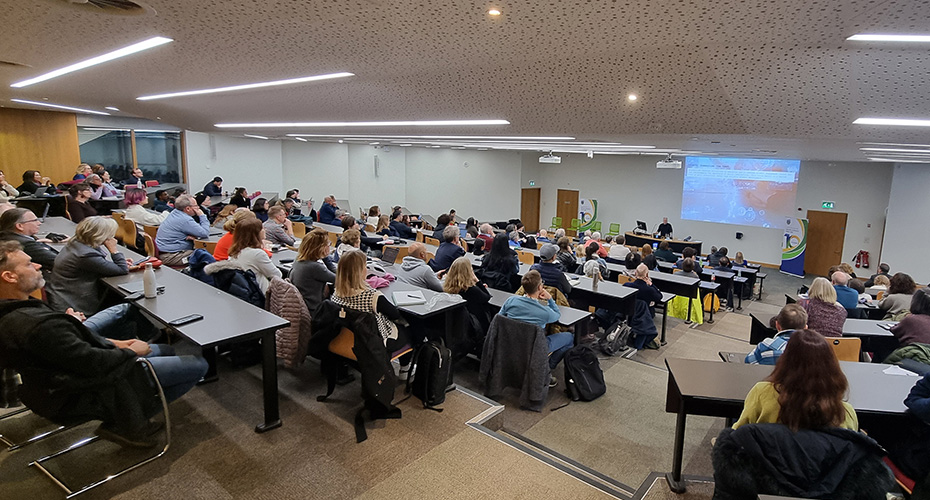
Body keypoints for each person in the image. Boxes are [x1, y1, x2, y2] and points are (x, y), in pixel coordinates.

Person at [0, 241, 208, 448]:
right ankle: (127, 422)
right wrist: (129, 350)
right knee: (200, 365)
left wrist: (114, 342)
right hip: (80, 391)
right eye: (28, 264)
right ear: (9, 277)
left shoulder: (16, 313)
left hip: (52, 385)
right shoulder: (37, 325)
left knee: (166, 349)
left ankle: (136, 405)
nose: (37, 265)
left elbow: (69, 349)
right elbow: (95, 363)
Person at [733, 329, 858, 430]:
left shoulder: (762, 392)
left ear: (785, 360)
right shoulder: (845, 414)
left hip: (769, 460)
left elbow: (738, 434)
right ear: (832, 365)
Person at [331, 250, 411, 371]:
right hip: (374, 341)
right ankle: (405, 370)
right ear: (359, 271)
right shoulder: (372, 296)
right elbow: (394, 314)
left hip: (345, 338)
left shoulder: (336, 292)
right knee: (413, 330)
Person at [46, 217, 130, 315]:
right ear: (101, 235)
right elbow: (122, 270)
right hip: (75, 304)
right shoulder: (86, 255)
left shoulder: (76, 243)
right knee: (126, 306)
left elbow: (99, 263)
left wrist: (118, 262)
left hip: (62, 294)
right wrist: (114, 251)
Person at [498, 270, 573, 379]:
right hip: (536, 346)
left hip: (512, 342)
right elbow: (557, 315)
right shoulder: (544, 311)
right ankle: (547, 368)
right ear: (539, 287)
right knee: (570, 338)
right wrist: (550, 299)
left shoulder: (511, 300)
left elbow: (500, 318)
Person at [222, 218, 281, 293]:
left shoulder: (234, 251)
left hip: (245, 290)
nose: (265, 230)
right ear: (256, 233)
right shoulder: (257, 254)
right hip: (261, 294)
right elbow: (277, 275)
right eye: (262, 228)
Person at [0, 208, 60, 275]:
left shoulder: (6, 236)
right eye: (34, 220)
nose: (39, 223)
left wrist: (40, 241)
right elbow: (59, 261)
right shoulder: (25, 244)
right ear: (20, 226)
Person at [155, 194, 211, 265]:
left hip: (165, 252)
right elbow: (204, 232)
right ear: (188, 208)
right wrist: (202, 216)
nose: (198, 208)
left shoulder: (174, 213)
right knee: (205, 255)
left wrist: (187, 237)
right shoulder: (185, 220)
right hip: (172, 257)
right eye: (196, 206)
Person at [290, 228, 337, 313]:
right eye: (328, 243)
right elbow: (340, 279)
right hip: (314, 310)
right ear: (320, 248)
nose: (329, 245)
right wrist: (327, 259)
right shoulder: (315, 267)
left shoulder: (298, 261)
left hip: (302, 306)